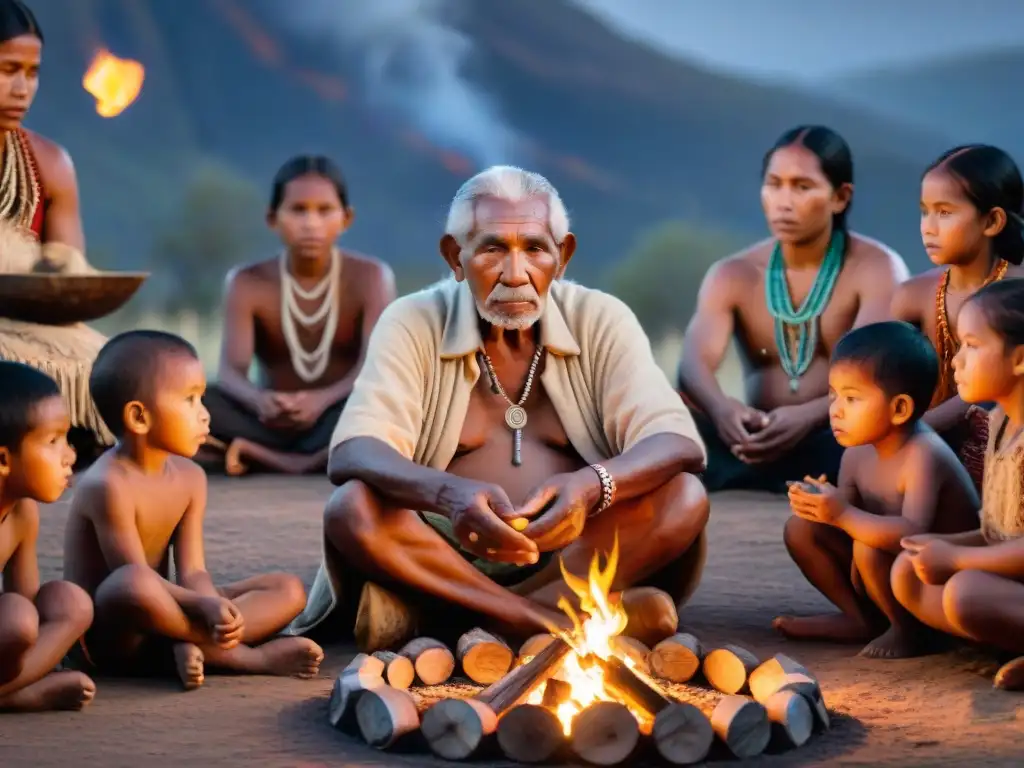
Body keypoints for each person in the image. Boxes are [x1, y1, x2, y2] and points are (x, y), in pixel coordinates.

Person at [288, 166, 710, 649]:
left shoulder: (602, 318)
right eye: (492, 248)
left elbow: (678, 443)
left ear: (563, 255)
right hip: (444, 551)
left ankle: (456, 619)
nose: (515, 274)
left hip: (571, 549)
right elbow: (353, 451)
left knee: (684, 497)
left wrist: (593, 486)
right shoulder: (412, 320)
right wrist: (447, 494)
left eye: (534, 248)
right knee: (352, 508)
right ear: (455, 256)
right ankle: (545, 621)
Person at [63, 331, 323, 690]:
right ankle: (245, 658)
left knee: (288, 588)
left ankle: (185, 644)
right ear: (139, 417)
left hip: (167, 609)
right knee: (130, 584)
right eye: (189, 400)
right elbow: (133, 576)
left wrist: (209, 603)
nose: (204, 414)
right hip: (114, 633)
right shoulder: (107, 484)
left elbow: (193, 570)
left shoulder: (191, 478)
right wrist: (203, 608)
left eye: (202, 397)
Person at [678, 125, 909, 494]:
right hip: (750, 442)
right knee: (663, 411)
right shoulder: (733, 273)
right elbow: (693, 365)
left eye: (802, 187)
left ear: (840, 197)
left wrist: (808, 416)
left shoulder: (877, 269)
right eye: (774, 184)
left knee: (885, 430)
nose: (783, 201)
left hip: (837, 439)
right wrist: (724, 411)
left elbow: (876, 370)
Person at [778, 323, 979, 658]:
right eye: (833, 395)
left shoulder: (923, 455)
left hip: (933, 578)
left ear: (899, 408)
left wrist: (842, 514)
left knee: (867, 546)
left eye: (852, 398)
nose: (836, 409)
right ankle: (861, 620)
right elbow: (846, 514)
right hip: (880, 567)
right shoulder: (857, 452)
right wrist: (820, 505)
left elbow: (913, 532)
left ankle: (909, 630)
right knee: (801, 528)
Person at [202, 156, 396, 476]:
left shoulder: (371, 277)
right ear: (272, 218)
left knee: (389, 403)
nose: (311, 223)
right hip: (269, 421)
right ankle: (313, 457)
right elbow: (230, 371)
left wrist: (322, 400)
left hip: (339, 415)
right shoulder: (247, 281)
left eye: (324, 211)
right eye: (297, 210)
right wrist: (259, 401)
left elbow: (373, 367)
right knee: (191, 401)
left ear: (346, 218)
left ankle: (280, 460)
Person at [893, 279, 1024, 690]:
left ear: (1019, 359)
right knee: (907, 573)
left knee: (966, 593)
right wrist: (942, 547)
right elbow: (1000, 533)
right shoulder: (1001, 423)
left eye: (971, 345)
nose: (955, 362)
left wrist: (958, 558)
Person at [0, 1, 114, 461]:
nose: (22, 88)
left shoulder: (50, 163)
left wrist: (60, 273)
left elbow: (65, 293)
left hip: (31, 330)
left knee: (125, 370)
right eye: (8, 70)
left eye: (32, 72)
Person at [892, 145, 1024, 492]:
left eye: (945, 213)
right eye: (924, 212)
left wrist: (919, 431)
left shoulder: (1018, 290)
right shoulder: (912, 295)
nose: (928, 228)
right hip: (930, 447)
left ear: (993, 221)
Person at [0, 362, 95, 712]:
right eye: (53, 441)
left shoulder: (22, 511)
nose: (70, 455)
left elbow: (27, 601)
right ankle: (23, 696)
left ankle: (12, 691)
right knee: (15, 618)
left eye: (67, 439)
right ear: (3, 459)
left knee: (71, 603)